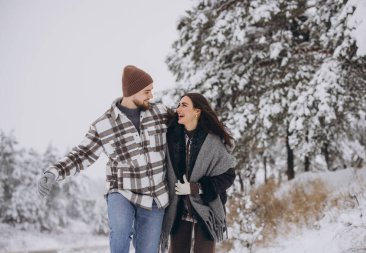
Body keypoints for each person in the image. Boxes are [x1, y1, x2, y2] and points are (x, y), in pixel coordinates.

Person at [38, 65, 170, 253]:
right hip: (122, 191)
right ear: (132, 91)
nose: (151, 96)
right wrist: (54, 171)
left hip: (155, 195)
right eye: (147, 91)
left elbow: (189, 125)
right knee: (120, 231)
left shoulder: (160, 113)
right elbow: (82, 154)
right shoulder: (104, 125)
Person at [161, 93, 236, 253]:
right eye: (178, 104)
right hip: (179, 207)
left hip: (207, 207)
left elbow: (228, 176)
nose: (178, 108)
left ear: (197, 111)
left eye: (184, 105)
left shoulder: (213, 141)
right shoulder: (171, 137)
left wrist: (196, 187)